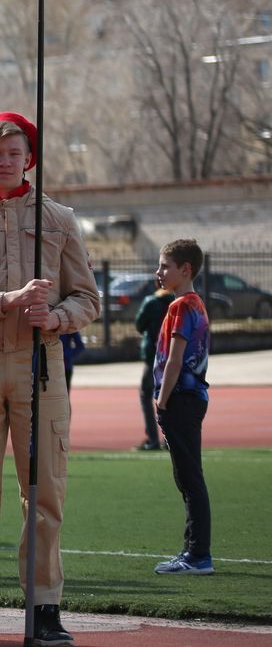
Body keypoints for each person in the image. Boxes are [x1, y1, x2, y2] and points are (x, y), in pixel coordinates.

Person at [0, 112, 97, 647]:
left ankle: (45, 609)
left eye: (14, 153)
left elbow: (87, 298)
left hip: (41, 364)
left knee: (45, 491)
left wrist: (56, 318)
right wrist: (6, 300)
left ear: (29, 159)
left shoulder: (58, 219)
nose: (4, 161)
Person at [151, 239, 213, 575]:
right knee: (189, 477)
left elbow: (174, 360)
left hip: (180, 400)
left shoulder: (180, 307)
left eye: (165, 266)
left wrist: (161, 401)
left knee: (188, 478)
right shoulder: (196, 304)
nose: (158, 272)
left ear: (184, 269)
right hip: (192, 399)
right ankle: (194, 552)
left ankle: (197, 555)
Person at [133, 284, 174, 452]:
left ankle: (153, 438)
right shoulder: (176, 302)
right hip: (172, 355)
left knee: (146, 395)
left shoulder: (151, 302)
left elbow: (139, 324)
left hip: (153, 356)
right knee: (169, 397)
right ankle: (170, 439)